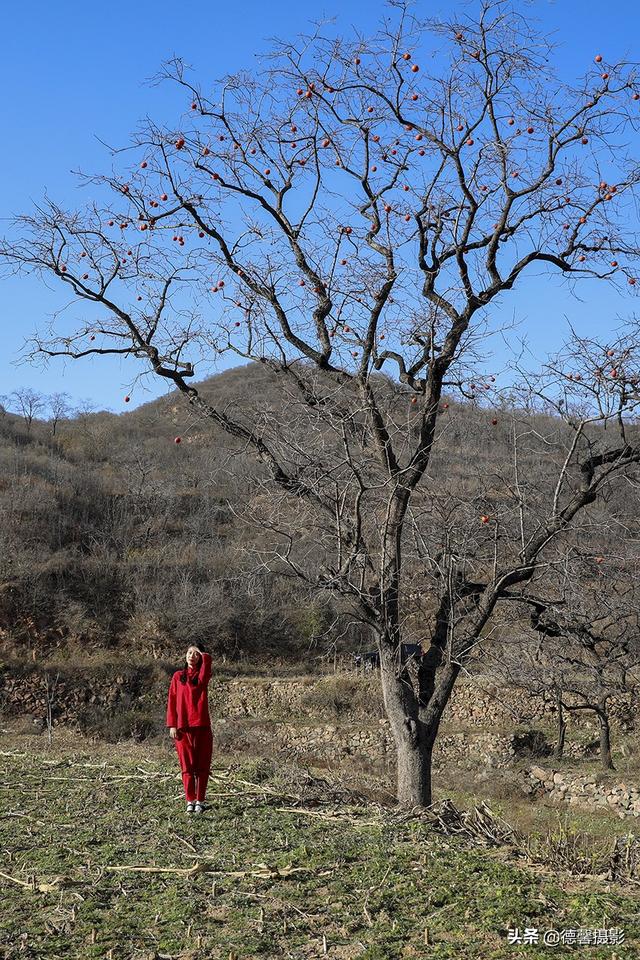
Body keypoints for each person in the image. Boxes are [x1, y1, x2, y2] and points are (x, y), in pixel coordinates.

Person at [166, 644, 213, 815]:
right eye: (189, 652)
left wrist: (204, 655)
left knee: (202, 766)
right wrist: (172, 724)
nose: (191, 656)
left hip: (202, 727)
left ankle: (200, 800)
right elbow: (171, 701)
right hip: (182, 728)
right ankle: (190, 800)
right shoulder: (178, 676)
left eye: (195, 653)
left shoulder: (202, 677)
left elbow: (207, 664)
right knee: (186, 766)